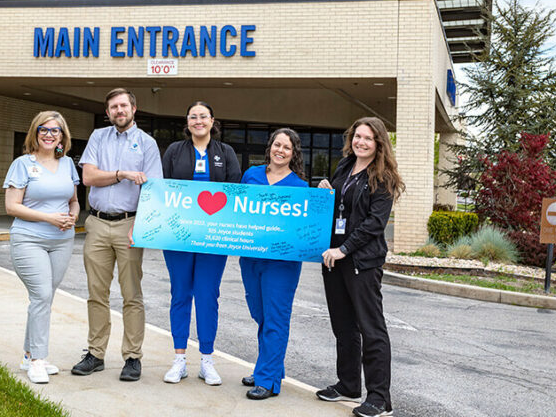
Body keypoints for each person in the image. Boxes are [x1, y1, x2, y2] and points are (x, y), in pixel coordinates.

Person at [315, 117, 405, 417]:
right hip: (335, 261)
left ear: (379, 143)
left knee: (371, 328)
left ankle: (380, 398)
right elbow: (340, 207)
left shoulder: (384, 177)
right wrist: (326, 190)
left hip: (361, 262)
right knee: (343, 326)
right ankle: (348, 384)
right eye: (357, 136)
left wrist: (344, 250)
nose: (361, 142)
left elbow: (373, 225)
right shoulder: (345, 167)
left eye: (368, 138)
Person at [73, 88, 162, 382]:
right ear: (107, 111)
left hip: (130, 224)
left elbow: (153, 190)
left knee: (131, 294)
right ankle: (95, 354)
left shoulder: (147, 144)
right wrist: (121, 174)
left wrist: (142, 226)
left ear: (133, 109)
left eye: (123, 105)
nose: (118, 110)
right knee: (96, 293)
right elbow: (88, 177)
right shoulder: (98, 137)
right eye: (113, 107)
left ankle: (132, 357)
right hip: (97, 224)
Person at [159, 101, 242, 386]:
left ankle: (207, 360)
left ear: (212, 120)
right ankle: (179, 360)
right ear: (188, 122)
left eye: (203, 116)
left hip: (213, 239)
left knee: (207, 296)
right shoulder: (174, 151)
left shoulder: (226, 153)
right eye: (193, 116)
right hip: (178, 237)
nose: (198, 121)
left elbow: (235, 194)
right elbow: (163, 192)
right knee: (180, 294)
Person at [3, 110, 80, 385]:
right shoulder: (23, 164)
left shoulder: (68, 163)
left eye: (55, 130)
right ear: (35, 133)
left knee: (45, 297)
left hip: (62, 240)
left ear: (62, 136)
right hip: (28, 239)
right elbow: (12, 206)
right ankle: (38, 360)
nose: (49, 135)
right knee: (41, 295)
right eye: (44, 130)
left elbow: (73, 200)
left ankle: (28, 354)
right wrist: (49, 217)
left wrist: (73, 215)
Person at [238, 128, 308, 400]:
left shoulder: (300, 188)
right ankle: (268, 368)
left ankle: (267, 380)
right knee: (261, 314)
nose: (280, 150)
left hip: (282, 264)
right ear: (270, 147)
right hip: (251, 258)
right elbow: (238, 211)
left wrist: (324, 196)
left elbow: (305, 228)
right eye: (277, 145)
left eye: (287, 148)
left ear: (293, 154)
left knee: (275, 318)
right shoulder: (251, 176)